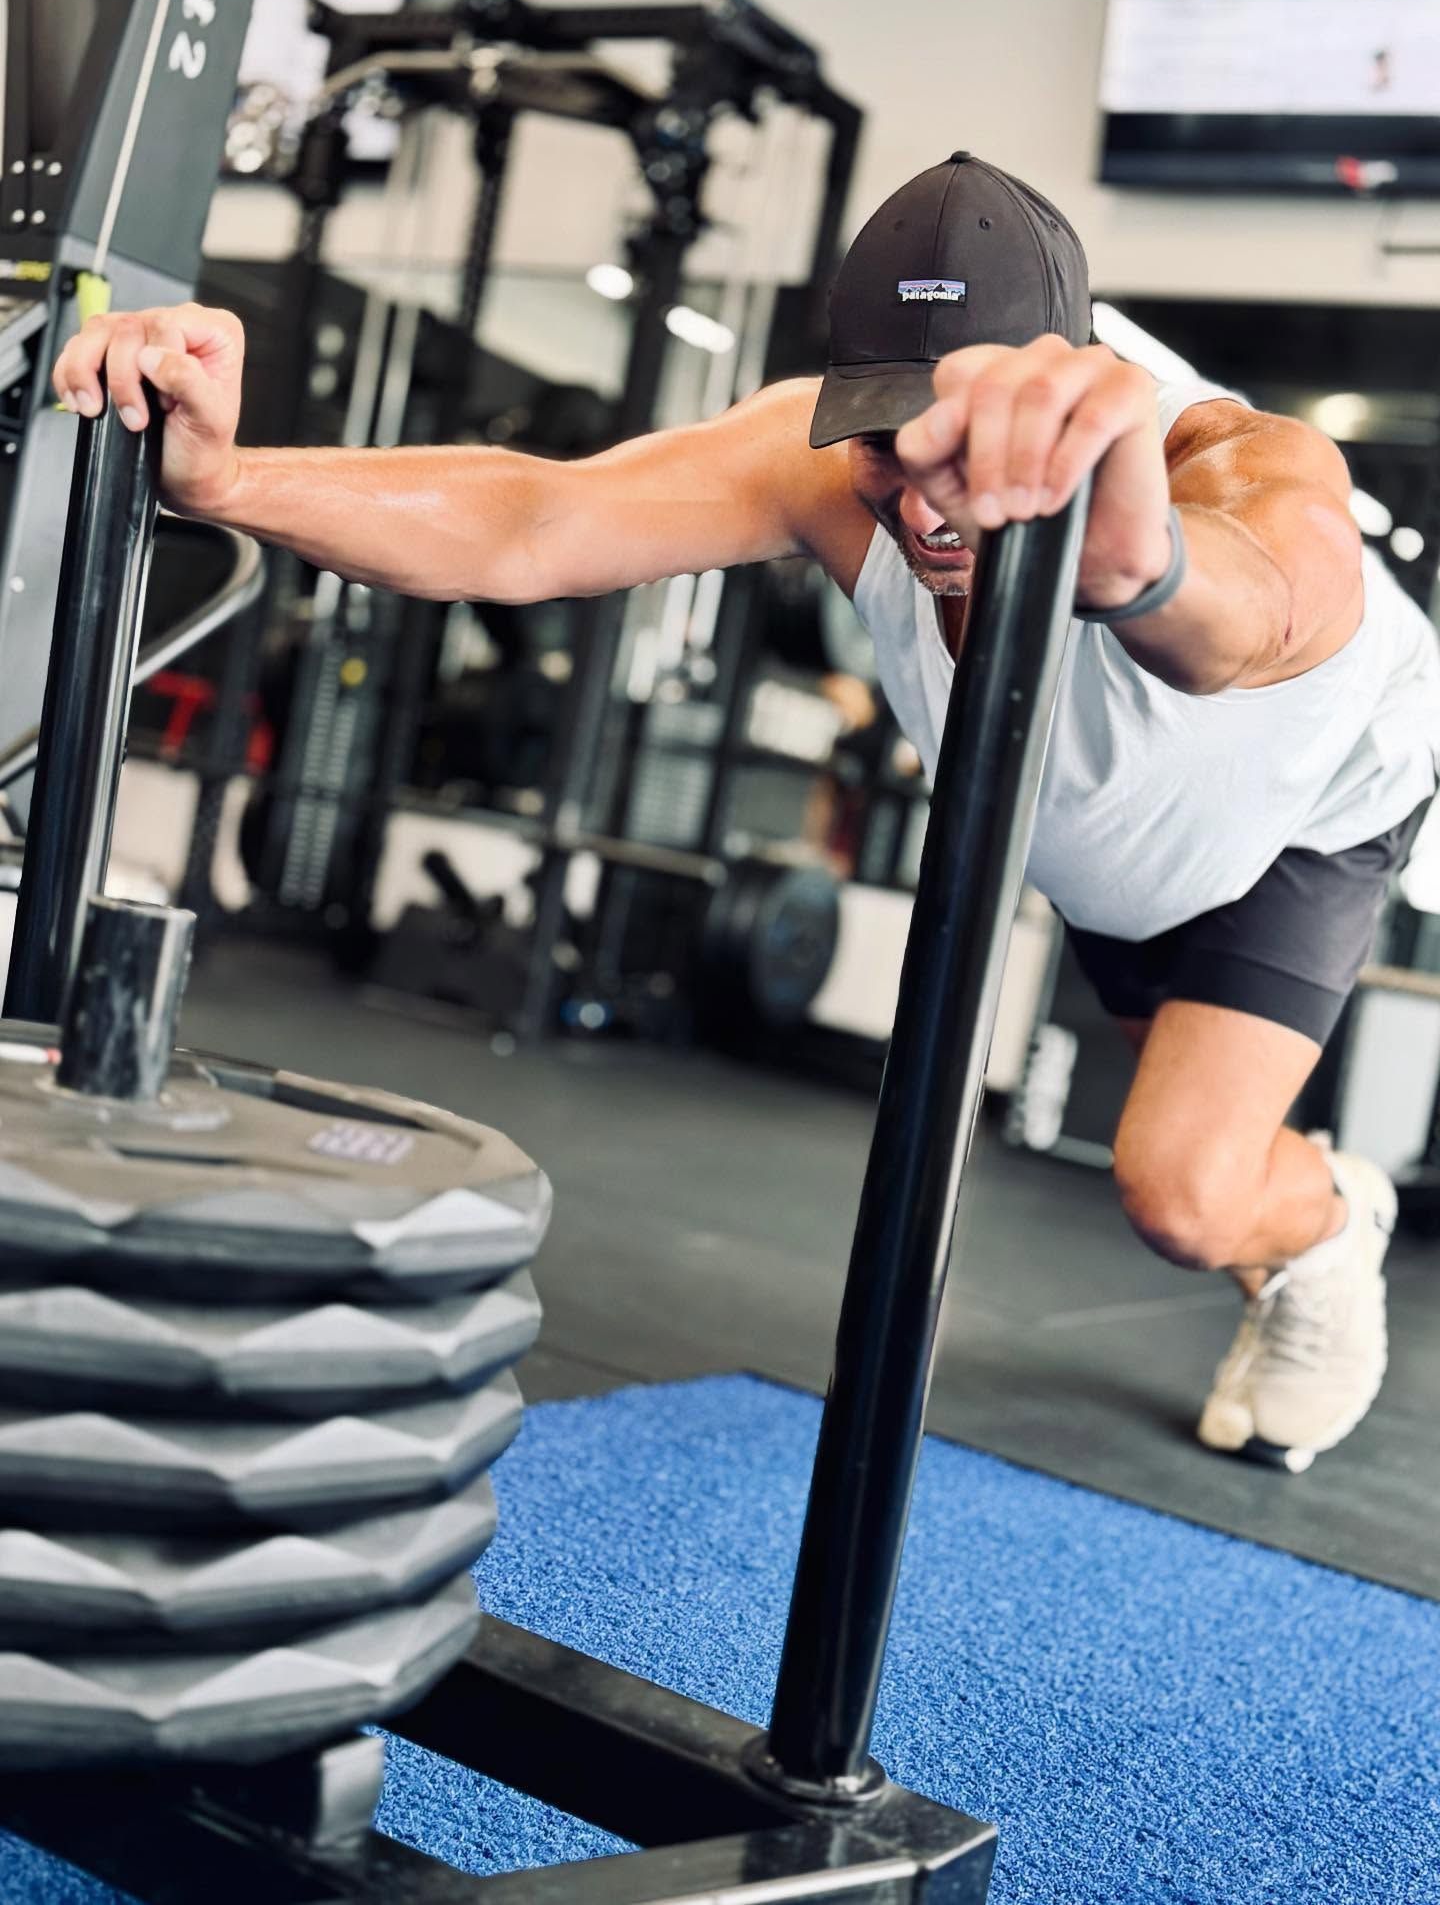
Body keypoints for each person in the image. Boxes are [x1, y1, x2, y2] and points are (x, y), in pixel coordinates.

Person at [54, 152, 1440, 1474]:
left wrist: (1141, 573)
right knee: (1195, 1141)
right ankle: (1282, 1204)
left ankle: (1331, 1232)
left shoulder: (1240, 464)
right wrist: (231, 480)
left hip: (1296, 815)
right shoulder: (833, 466)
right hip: (1104, 832)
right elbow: (537, 523)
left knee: (1186, 1198)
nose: (921, 499)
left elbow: (1252, 620)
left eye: (945, 447)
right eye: (884, 447)